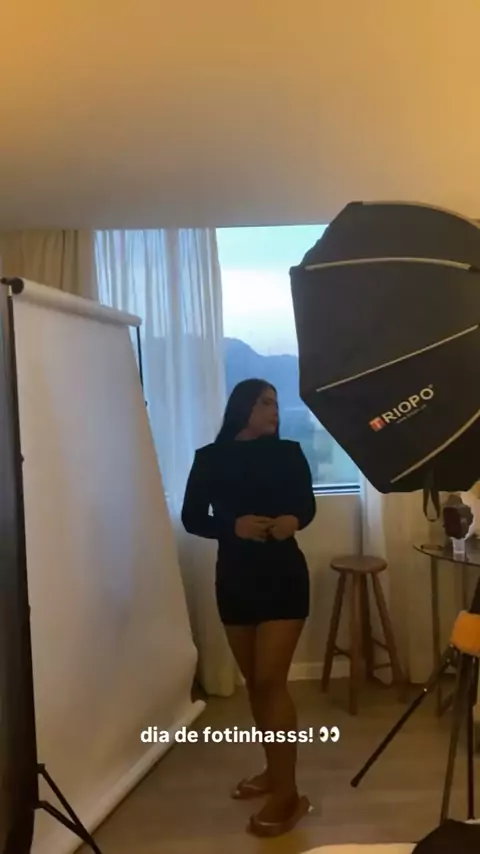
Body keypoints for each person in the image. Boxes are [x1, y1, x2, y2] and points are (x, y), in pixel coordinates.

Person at [181, 378, 317, 837]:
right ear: (244, 407)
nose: (275, 410)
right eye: (265, 402)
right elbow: (192, 518)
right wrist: (232, 527)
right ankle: (274, 773)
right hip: (235, 580)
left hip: (284, 577)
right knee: (256, 686)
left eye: (276, 403)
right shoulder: (209, 458)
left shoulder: (289, 453)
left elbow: (306, 506)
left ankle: (289, 794)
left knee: (270, 681)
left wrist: (293, 520)